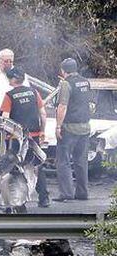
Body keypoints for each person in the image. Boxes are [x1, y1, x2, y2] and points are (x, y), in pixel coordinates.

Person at [0, 66, 50, 207]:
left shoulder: (9, 95)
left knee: (15, 169)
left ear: (14, 79)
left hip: (17, 139)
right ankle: (44, 198)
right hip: (33, 137)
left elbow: (5, 119)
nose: (8, 80)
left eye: (9, 78)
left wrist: (5, 138)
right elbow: (43, 114)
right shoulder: (34, 92)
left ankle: (18, 202)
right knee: (37, 166)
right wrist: (42, 131)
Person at [53, 58, 91, 202]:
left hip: (69, 128)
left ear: (63, 71)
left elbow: (62, 106)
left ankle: (66, 194)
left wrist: (58, 126)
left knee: (63, 161)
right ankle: (82, 193)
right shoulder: (85, 82)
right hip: (85, 127)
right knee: (81, 161)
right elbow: (91, 104)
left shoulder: (66, 84)